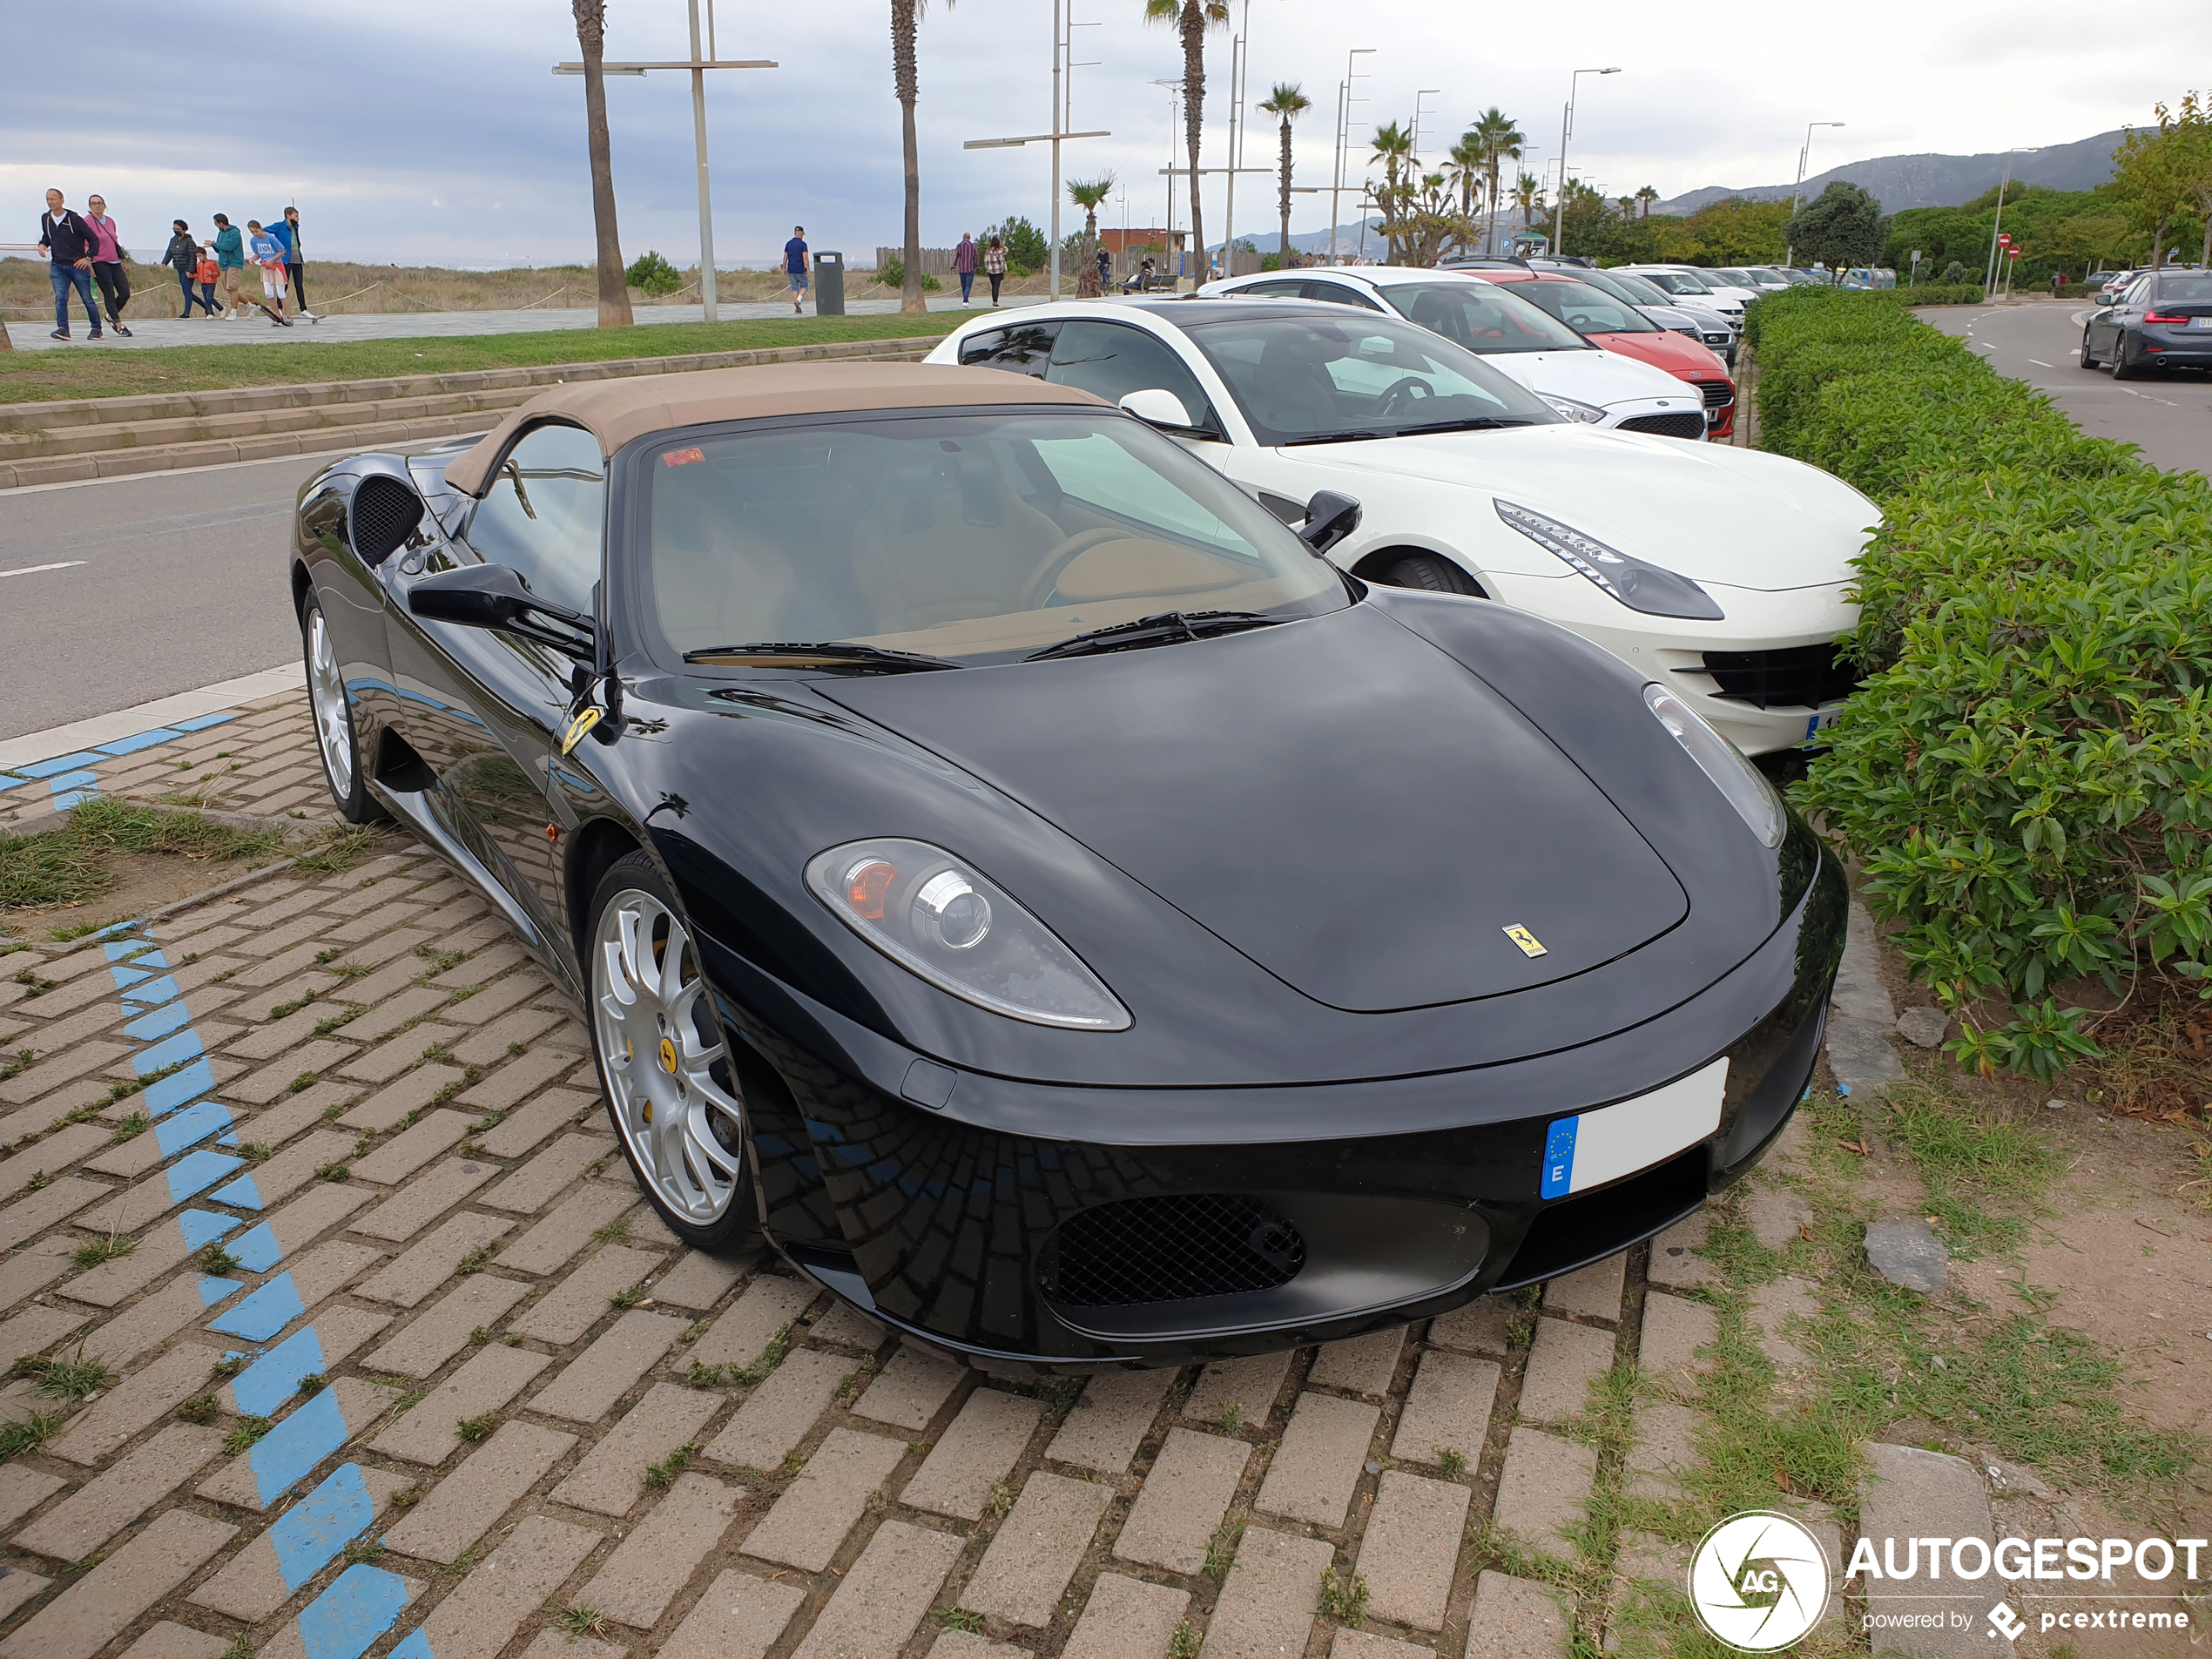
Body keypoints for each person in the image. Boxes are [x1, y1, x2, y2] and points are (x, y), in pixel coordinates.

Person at [38, 188, 103, 341]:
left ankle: (96, 328)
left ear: (62, 200)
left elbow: (93, 239)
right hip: (58, 265)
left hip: (77, 265)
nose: (50, 202)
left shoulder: (73, 219)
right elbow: (48, 236)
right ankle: (63, 329)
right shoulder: (46, 218)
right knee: (60, 297)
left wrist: (88, 258)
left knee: (87, 298)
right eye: (48, 199)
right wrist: (42, 244)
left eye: (53, 199)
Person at [83, 194, 134, 336]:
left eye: (100, 203)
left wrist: (122, 259)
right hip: (98, 261)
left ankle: (111, 316)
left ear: (105, 205)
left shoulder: (110, 221)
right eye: (93, 203)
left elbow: (114, 241)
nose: (97, 206)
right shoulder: (86, 222)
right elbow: (85, 244)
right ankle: (119, 325)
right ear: (90, 206)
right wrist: (90, 265)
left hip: (114, 261)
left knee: (125, 292)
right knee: (109, 294)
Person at [269, 206, 314, 319]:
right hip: (285, 260)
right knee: (284, 285)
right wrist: (276, 247)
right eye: (296, 216)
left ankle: (303, 309)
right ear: (289, 216)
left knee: (299, 285)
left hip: (297, 259)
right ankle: (279, 308)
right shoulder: (279, 226)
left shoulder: (295, 227)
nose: (298, 218)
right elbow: (265, 231)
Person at [246, 219, 293, 325]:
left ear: (260, 228)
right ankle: (277, 317)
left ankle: (289, 317)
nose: (255, 234)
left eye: (256, 231)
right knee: (269, 293)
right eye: (252, 232)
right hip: (265, 268)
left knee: (281, 293)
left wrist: (272, 260)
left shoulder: (271, 238)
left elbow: (282, 251)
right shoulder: (253, 241)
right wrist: (253, 259)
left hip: (276, 267)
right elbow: (258, 254)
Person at [165, 219, 214, 317]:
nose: (176, 231)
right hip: (179, 267)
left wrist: (190, 270)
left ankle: (186, 313)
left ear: (184, 230)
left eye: (178, 229)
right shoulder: (173, 240)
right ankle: (207, 308)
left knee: (187, 291)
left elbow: (193, 256)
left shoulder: (189, 241)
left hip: (187, 268)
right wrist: (164, 263)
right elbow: (169, 252)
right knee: (187, 292)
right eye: (174, 229)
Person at [211, 214, 249, 318]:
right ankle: (250, 305)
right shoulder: (220, 233)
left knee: (232, 287)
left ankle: (234, 312)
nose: (216, 226)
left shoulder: (234, 233)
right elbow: (220, 247)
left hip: (234, 262)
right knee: (227, 288)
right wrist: (215, 246)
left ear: (221, 223)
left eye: (216, 223)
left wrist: (214, 244)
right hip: (224, 263)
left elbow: (228, 246)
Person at [784, 226, 810, 314]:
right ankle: (798, 301)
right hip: (800, 269)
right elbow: (805, 258)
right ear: (801, 234)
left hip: (791, 269)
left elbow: (785, 257)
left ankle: (797, 308)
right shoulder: (803, 245)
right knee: (805, 286)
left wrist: (784, 267)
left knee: (794, 288)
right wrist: (808, 269)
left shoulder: (788, 244)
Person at [193, 243, 222, 319]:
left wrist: (212, 274)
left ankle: (221, 308)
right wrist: (193, 276)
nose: (199, 258)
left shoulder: (211, 263)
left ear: (205, 254)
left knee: (210, 297)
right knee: (206, 299)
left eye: (200, 256)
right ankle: (210, 313)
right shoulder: (199, 264)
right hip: (203, 283)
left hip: (211, 283)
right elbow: (199, 274)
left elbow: (217, 273)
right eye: (198, 256)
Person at [954, 232, 977, 304]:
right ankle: (966, 300)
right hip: (970, 268)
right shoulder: (973, 246)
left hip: (962, 268)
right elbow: (975, 257)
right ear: (969, 238)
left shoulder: (959, 246)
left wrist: (954, 265)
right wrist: (975, 265)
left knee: (963, 285)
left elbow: (957, 256)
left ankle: (965, 298)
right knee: (968, 285)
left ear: (963, 237)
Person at [983, 235, 1007, 307]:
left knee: (993, 286)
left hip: (991, 270)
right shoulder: (1000, 250)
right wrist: (1002, 245)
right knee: (996, 286)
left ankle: (994, 300)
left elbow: (986, 260)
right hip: (999, 270)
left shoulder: (988, 251)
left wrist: (987, 267)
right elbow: (1007, 250)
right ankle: (995, 301)